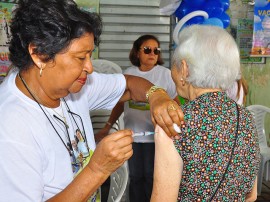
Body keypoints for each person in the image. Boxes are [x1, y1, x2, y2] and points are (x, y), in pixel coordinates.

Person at [0, 0, 184, 201]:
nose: (89, 67)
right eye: (80, 57)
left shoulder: (75, 85)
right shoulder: (11, 126)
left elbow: (129, 84)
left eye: (90, 55)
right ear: (39, 55)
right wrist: (97, 169)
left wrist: (157, 95)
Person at [151, 25, 260, 201]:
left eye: (175, 65)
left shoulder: (174, 123)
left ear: (184, 70)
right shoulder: (247, 119)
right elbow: (251, 196)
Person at [95, 34, 179, 202]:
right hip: (132, 136)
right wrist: (107, 126)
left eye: (156, 50)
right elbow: (119, 104)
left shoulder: (165, 74)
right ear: (137, 53)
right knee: (135, 177)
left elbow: (175, 102)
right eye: (147, 50)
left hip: (157, 138)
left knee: (150, 177)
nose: (152, 54)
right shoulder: (129, 74)